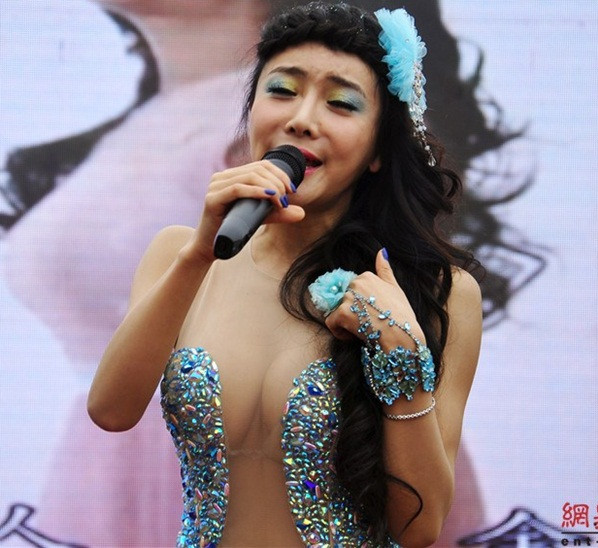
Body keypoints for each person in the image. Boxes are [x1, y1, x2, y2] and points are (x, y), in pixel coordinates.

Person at [88, 2, 483, 546]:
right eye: (282, 90)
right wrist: (199, 253)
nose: (302, 119)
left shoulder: (438, 291)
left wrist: (400, 357)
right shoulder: (179, 255)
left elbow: (419, 529)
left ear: (377, 149)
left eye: (341, 103)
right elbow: (110, 410)